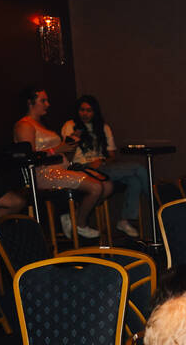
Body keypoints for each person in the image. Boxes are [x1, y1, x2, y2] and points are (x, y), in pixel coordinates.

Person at [12, 85, 113, 239]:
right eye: (43, 101)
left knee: (107, 185)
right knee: (96, 187)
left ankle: (72, 218)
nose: (48, 104)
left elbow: (59, 151)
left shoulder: (40, 124)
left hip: (62, 168)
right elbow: (29, 156)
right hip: (42, 174)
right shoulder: (24, 125)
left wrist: (71, 144)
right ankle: (79, 224)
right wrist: (58, 149)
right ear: (30, 103)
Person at [60, 94, 149, 238]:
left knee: (135, 180)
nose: (85, 114)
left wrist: (101, 162)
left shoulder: (103, 127)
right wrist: (73, 140)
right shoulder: (70, 125)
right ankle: (157, 205)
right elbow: (66, 157)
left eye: (89, 110)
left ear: (95, 112)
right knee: (139, 169)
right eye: (82, 110)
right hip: (81, 168)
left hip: (102, 166)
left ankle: (124, 220)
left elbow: (112, 154)